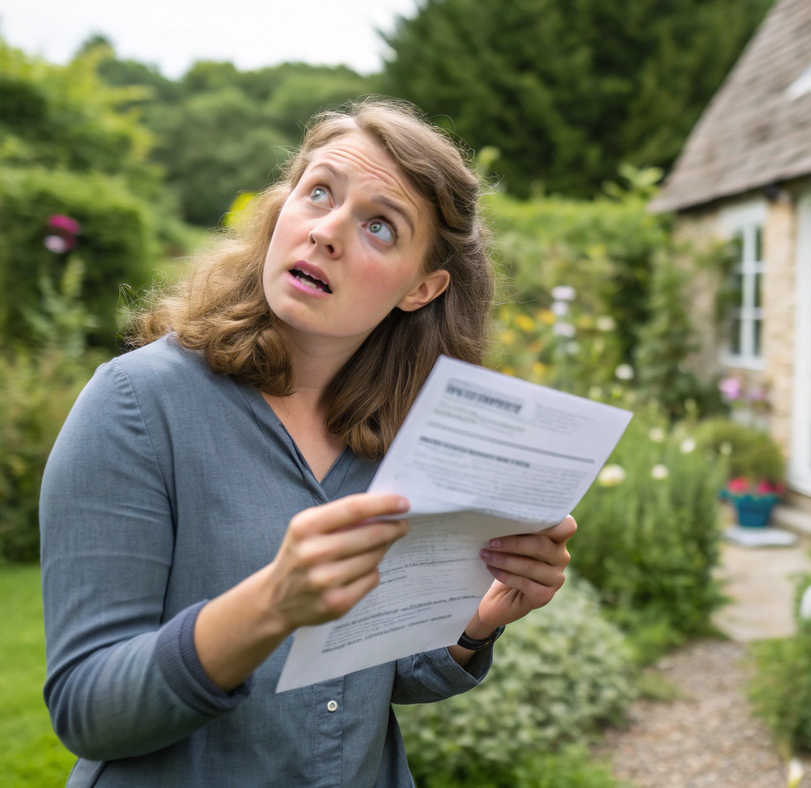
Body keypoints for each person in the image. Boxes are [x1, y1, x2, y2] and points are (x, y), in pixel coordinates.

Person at [39, 98, 577, 787]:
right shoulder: (135, 406)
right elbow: (88, 709)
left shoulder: (406, 437)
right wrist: (270, 604)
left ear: (422, 288)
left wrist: (473, 622)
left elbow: (358, 676)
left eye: (380, 226)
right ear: (281, 207)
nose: (326, 231)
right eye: (319, 191)